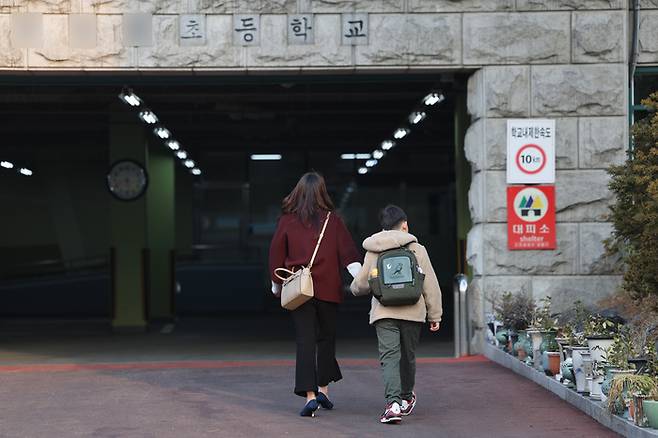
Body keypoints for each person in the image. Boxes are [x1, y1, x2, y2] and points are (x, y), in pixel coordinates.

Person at [269, 172, 362, 417]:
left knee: (305, 341)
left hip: (299, 290)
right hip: (328, 289)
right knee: (326, 339)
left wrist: (276, 286)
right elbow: (349, 256)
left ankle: (310, 396)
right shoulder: (334, 221)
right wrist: (363, 281)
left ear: (298, 192)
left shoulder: (287, 221)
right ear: (322, 192)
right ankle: (323, 389)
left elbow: (276, 255)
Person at [350, 204, 442, 424]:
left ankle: (392, 404)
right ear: (405, 225)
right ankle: (406, 398)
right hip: (413, 311)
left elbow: (361, 285)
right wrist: (435, 315)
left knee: (389, 358)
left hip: (384, 312)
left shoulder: (374, 249)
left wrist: (354, 287)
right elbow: (430, 284)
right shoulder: (417, 249)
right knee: (407, 358)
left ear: (382, 227)